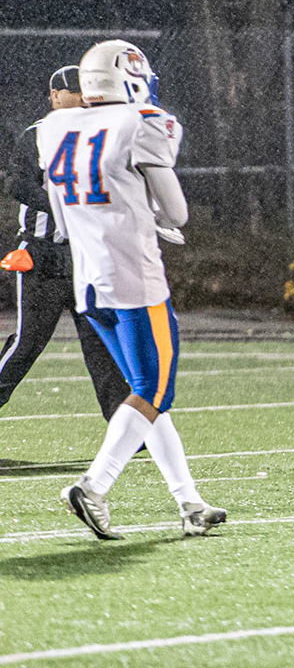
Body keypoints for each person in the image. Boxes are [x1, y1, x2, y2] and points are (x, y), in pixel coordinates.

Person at [41, 39, 223, 539]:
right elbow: (178, 213)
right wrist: (154, 216)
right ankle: (94, 486)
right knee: (154, 390)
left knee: (147, 396)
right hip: (136, 283)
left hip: (89, 284)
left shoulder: (56, 126)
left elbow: (62, 217)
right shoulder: (140, 122)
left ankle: (189, 502)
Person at [1, 66, 130, 420]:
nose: (83, 98)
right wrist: (63, 206)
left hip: (86, 256)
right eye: (75, 91)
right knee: (27, 344)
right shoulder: (39, 134)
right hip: (42, 256)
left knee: (102, 346)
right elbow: (17, 184)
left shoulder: (99, 134)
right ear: (57, 95)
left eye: (86, 91)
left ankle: (126, 429)